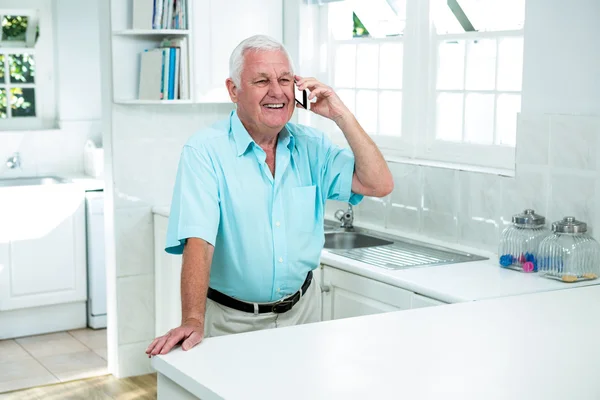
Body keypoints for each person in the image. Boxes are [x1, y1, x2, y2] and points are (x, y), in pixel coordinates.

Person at [146, 34, 393, 357]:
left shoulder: (313, 146)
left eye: (285, 80)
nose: (277, 91)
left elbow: (378, 184)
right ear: (234, 90)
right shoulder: (205, 151)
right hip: (231, 321)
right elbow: (199, 241)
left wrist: (340, 114)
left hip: (303, 314)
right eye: (262, 80)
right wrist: (192, 319)